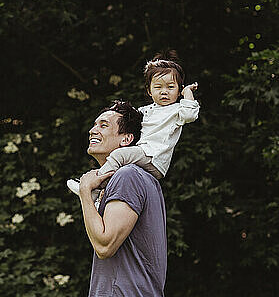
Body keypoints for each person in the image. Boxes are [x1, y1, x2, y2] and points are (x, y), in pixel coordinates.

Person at [67, 51, 199, 204]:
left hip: (154, 156)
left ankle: (93, 188)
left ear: (178, 90)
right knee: (119, 165)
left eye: (170, 87)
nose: (164, 91)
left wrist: (187, 93)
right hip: (143, 153)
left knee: (118, 156)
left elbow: (190, 114)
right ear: (149, 91)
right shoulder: (146, 110)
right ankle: (101, 194)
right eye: (158, 87)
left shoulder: (176, 111)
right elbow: (128, 120)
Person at [77, 100, 167, 297]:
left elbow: (105, 246)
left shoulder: (127, 176)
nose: (93, 130)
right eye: (95, 124)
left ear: (126, 139)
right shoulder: (136, 178)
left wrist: (84, 192)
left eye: (104, 125)